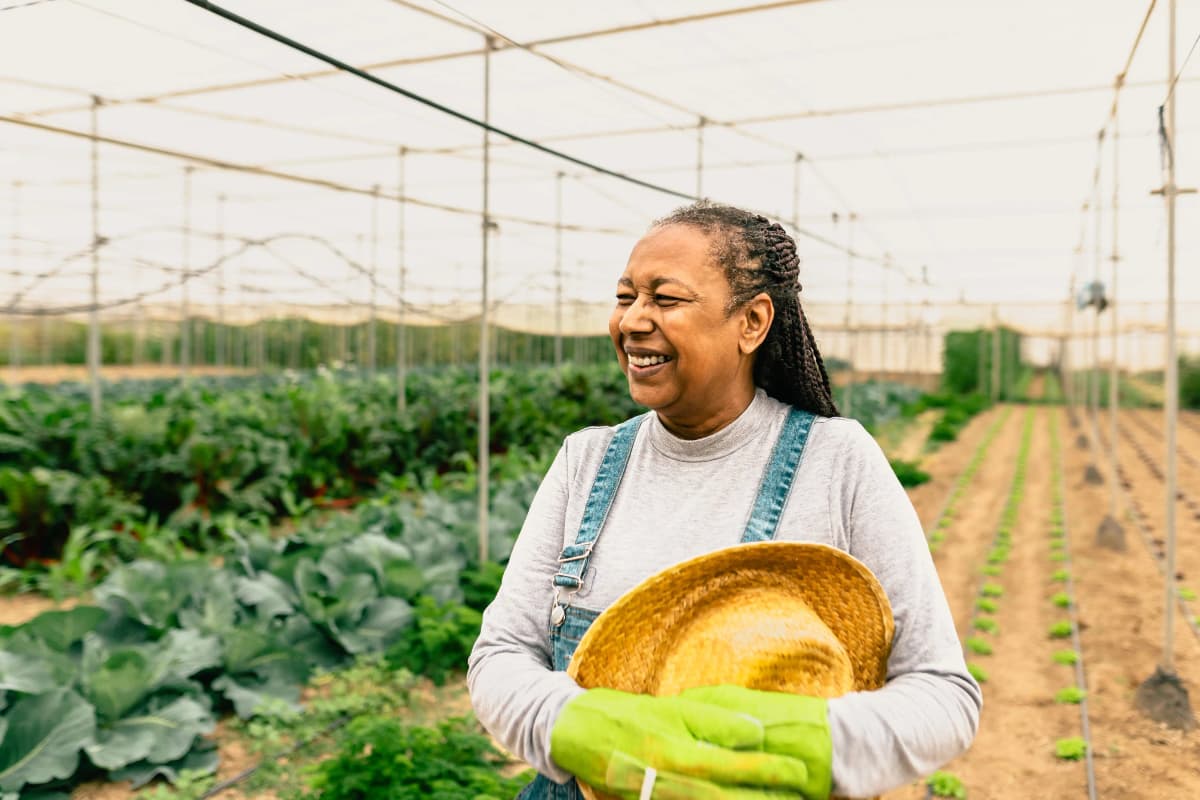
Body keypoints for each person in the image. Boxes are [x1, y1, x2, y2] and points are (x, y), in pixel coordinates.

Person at [468, 202, 980, 799]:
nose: (633, 320)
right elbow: (501, 653)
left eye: (666, 299)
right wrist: (566, 722)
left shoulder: (836, 460)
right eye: (625, 296)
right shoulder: (587, 460)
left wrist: (817, 746)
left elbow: (944, 693)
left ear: (752, 322)